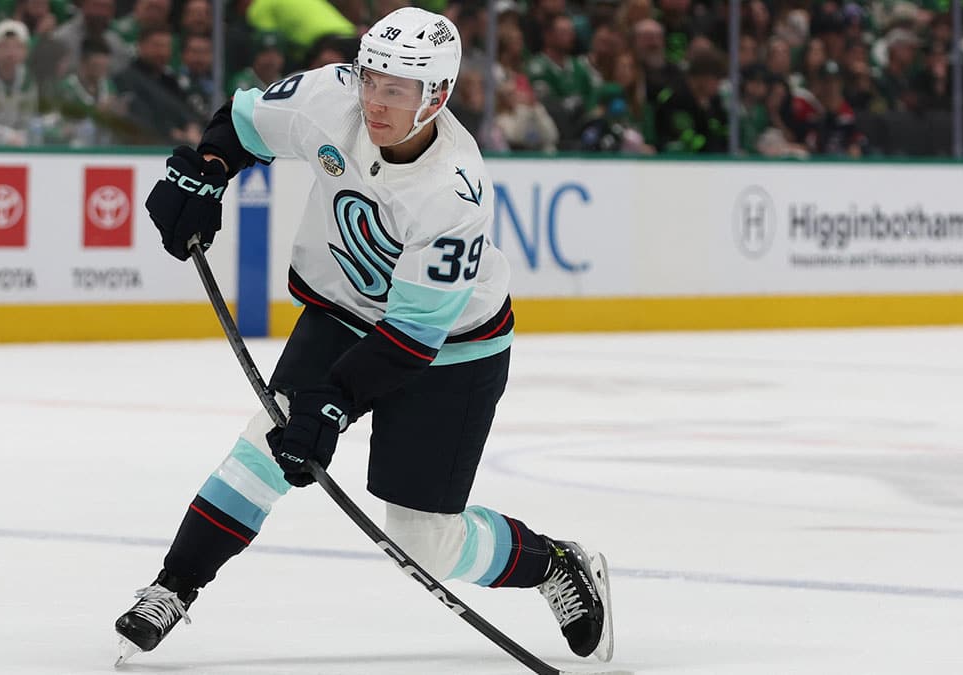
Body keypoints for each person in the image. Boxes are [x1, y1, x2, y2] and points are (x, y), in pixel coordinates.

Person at [112, 6, 614, 667]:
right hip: (345, 309)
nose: (374, 100)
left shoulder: (453, 191)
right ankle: (173, 585)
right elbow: (241, 124)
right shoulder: (332, 96)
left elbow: (411, 336)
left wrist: (336, 402)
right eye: (372, 78)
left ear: (435, 95)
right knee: (263, 444)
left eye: (396, 89)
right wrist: (207, 169)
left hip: (452, 347)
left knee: (423, 542)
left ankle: (553, 563)